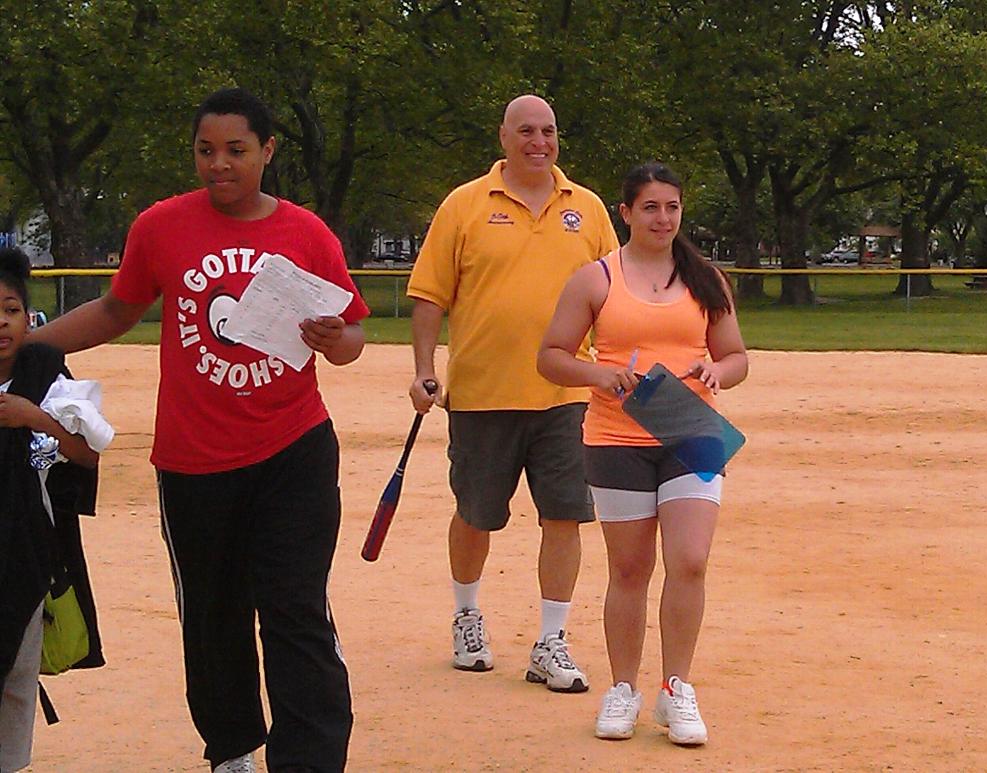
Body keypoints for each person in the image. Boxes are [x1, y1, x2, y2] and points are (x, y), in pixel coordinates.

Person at [29, 88, 369, 773]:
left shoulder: (307, 234)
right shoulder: (161, 226)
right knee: (213, 616)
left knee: (295, 608)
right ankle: (233, 749)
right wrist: (24, 350)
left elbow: (352, 337)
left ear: (268, 151)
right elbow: (115, 310)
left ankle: (309, 758)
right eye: (205, 151)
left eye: (236, 150)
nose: (219, 164)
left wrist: (337, 339)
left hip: (293, 450)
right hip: (195, 461)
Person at [406, 94, 619, 692]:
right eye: (526, 131)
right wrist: (423, 369)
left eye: (548, 131)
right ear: (503, 137)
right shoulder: (464, 204)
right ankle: (467, 616)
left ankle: (551, 641)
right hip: (483, 394)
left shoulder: (588, 208)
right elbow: (429, 296)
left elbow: (615, 296)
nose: (538, 142)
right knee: (476, 515)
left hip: (567, 397)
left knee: (565, 516)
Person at [537, 162, 748, 744]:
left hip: (689, 428)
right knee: (629, 570)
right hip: (616, 435)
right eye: (650, 207)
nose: (663, 218)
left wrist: (718, 370)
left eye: (672, 207)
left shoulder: (706, 280)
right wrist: (598, 374)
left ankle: (676, 688)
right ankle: (623, 688)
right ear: (626, 212)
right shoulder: (596, 278)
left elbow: (736, 356)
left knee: (690, 560)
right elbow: (552, 355)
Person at [1, 247, 112, 772]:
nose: (1, 323)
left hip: (25, 551)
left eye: (10, 310)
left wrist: (32, 417)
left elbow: (88, 454)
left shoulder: (47, 376)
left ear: (30, 318)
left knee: (17, 670)